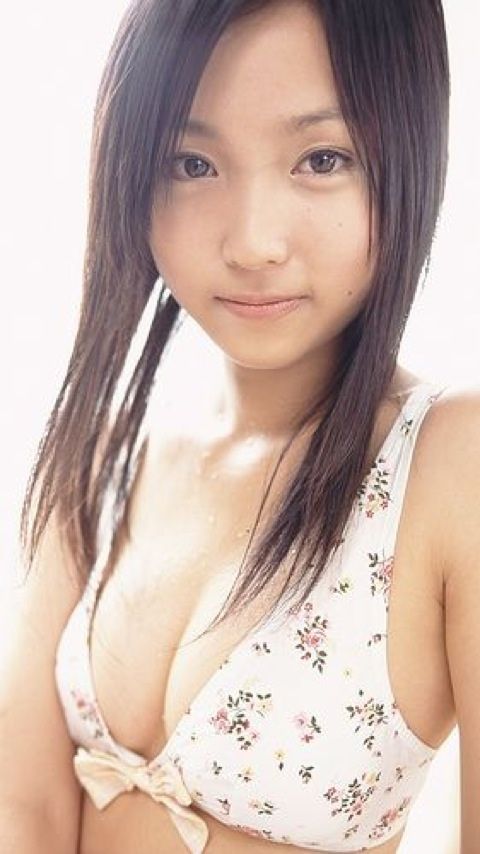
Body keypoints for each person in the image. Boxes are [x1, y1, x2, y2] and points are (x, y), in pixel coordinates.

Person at [1, 0, 478, 852]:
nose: (253, 243)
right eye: (193, 163)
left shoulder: (451, 462)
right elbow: (23, 807)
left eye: (321, 159)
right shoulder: (105, 456)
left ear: (408, 155)